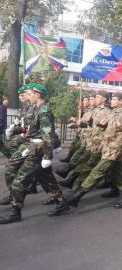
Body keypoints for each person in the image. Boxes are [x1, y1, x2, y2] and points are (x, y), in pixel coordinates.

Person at [49, 92, 122, 216]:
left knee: (95, 174)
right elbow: (114, 131)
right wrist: (94, 126)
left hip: (113, 152)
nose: (112, 101)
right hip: (108, 149)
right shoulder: (113, 114)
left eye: (115, 99)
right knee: (118, 176)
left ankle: (73, 199)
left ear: (121, 102)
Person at [0, 84, 65, 224]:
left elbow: (47, 133)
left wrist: (47, 156)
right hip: (30, 144)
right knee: (43, 175)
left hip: (39, 147)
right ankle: (61, 201)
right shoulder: (35, 108)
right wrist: (15, 130)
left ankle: (15, 211)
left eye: (30, 94)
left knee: (20, 180)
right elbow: (29, 129)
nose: (28, 96)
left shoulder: (44, 111)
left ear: (38, 94)